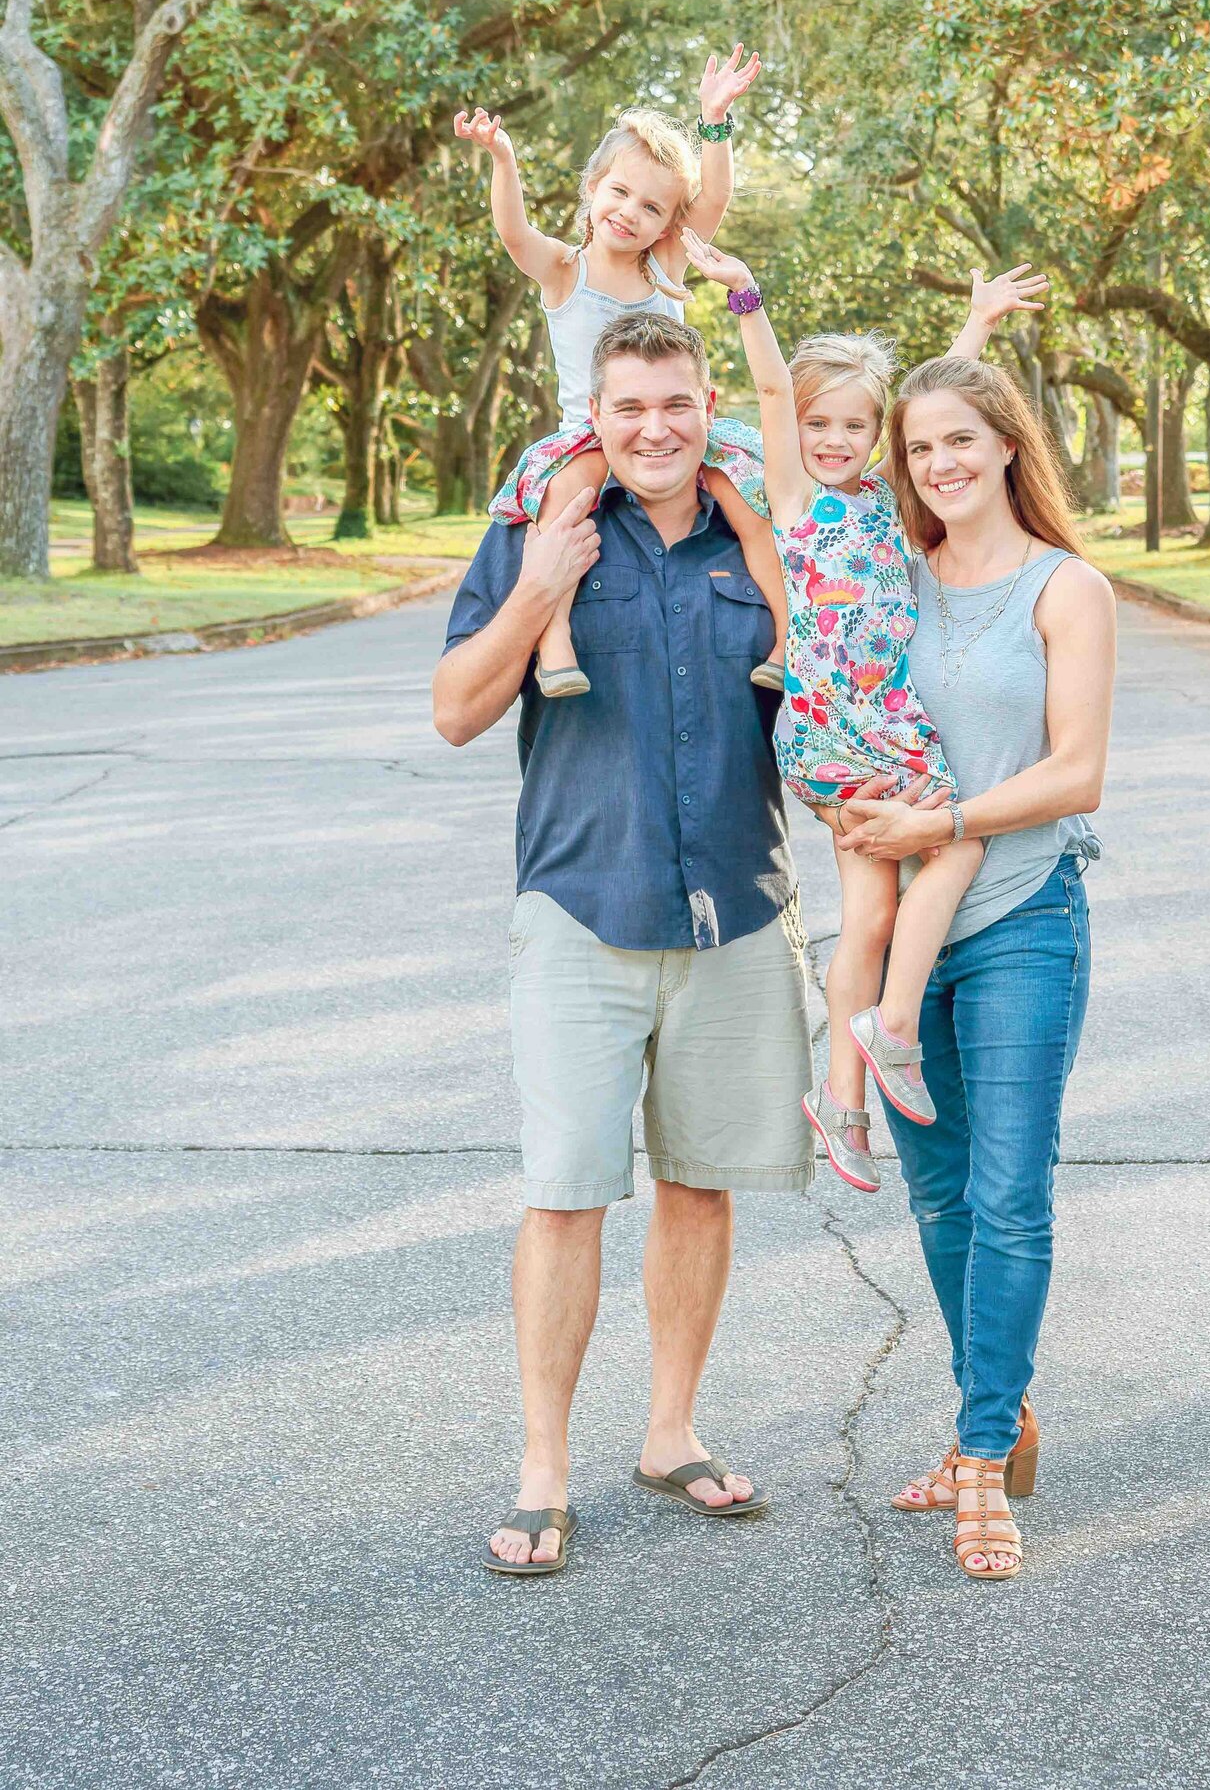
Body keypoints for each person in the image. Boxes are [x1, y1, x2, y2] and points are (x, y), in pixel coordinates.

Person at [432, 309, 814, 1578]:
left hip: (735, 905)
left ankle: (669, 1432)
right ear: (595, 411)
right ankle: (543, 1466)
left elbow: (825, 697)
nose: (656, 427)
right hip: (580, 904)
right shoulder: (540, 528)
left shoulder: (758, 541)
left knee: (699, 1182)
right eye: (631, 405)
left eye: (678, 403)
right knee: (565, 1192)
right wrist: (542, 584)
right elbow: (453, 711)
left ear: (711, 409)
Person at [675, 228, 1049, 1199]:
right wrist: (746, 294)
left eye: (855, 426)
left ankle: (842, 1103)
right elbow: (762, 391)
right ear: (793, 430)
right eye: (819, 423)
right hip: (840, 726)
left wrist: (975, 323)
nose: (836, 441)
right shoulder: (794, 495)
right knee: (958, 845)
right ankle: (892, 1028)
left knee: (873, 911)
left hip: (876, 725)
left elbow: (945, 400)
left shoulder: (884, 494)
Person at [834, 354, 1116, 1581]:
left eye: (961, 440)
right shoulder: (890, 575)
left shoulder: (1068, 587)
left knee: (1007, 1195)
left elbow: (1076, 771)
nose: (939, 464)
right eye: (919, 448)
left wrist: (940, 827)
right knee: (939, 1199)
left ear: (1007, 443)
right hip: (903, 935)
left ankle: (983, 1447)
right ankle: (989, 1409)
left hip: (1018, 919)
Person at [453, 55, 787, 695]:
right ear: (592, 187)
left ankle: (786, 637)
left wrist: (713, 122)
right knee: (563, 510)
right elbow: (512, 229)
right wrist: (502, 157)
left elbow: (713, 196)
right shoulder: (563, 269)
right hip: (589, 432)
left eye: (653, 208)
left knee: (749, 500)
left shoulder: (665, 266)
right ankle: (554, 648)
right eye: (620, 193)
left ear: (670, 224)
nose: (632, 213)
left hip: (671, 428)